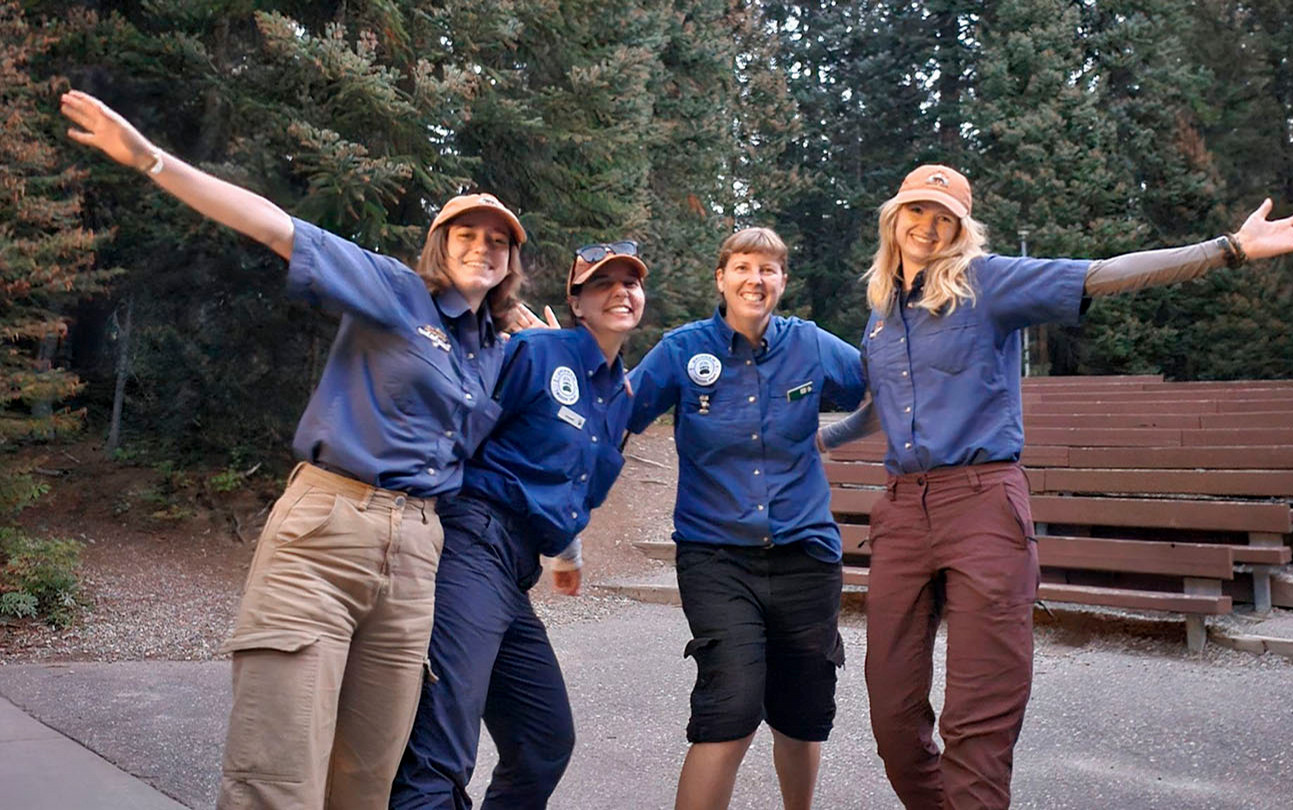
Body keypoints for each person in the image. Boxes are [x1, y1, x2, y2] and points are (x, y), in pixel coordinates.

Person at [58, 90, 559, 808]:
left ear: (512, 259)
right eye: (465, 235)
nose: (482, 247)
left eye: (498, 241)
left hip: (419, 558)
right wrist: (150, 159)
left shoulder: (496, 350)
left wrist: (556, 356)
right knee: (277, 772)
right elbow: (275, 228)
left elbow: (569, 426)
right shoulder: (394, 292)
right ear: (440, 246)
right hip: (327, 533)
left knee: (366, 780)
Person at [818, 164, 1293, 810]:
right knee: (893, 718)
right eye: (916, 212)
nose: (927, 226)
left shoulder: (989, 283)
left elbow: (1104, 274)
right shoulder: (881, 314)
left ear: (959, 229)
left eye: (943, 217)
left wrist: (1227, 250)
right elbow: (879, 406)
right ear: (893, 219)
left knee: (977, 722)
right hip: (901, 513)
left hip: (982, 506)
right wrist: (820, 440)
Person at [390, 242, 647, 809]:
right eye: (603, 284)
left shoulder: (620, 398)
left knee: (543, 741)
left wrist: (568, 554)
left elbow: (573, 482)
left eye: (631, 283)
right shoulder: (533, 352)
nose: (621, 292)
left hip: (516, 571)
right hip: (470, 544)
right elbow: (460, 430)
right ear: (577, 303)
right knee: (440, 747)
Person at [626, 228, 866, 810]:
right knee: (728, 708)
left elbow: (883, 384)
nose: (754, 280)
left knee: (802, 714)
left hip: (806, 557)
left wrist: (836, 434)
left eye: (768, 269)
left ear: (783, 281)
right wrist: (569, 359)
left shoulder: (809, 345)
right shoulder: (685, 350)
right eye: (742, 267)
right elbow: (620, 410)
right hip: (716, 557)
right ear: (721, 277)